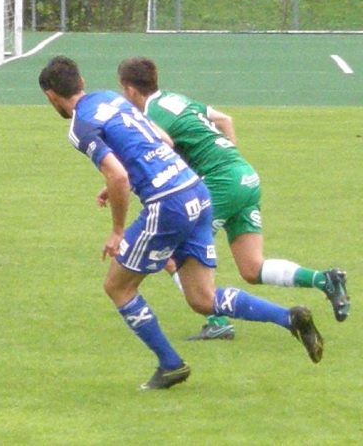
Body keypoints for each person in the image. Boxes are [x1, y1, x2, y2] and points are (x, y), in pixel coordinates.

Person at [38, 55, 321, 390]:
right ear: (82, 82)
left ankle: (171, 365)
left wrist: (117, 231)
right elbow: (165, 141)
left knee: (118, 286)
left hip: (167, 204)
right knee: (202, 298)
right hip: (195, 189)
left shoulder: (80, 126)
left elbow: (117, 176)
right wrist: (130, 177)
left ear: (51, 96)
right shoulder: (112, 99)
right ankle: (288, 318)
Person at [117, 56, 349, 340]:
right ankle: (325, 280)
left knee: (173, 252)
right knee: (252, 267)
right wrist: (229, 159)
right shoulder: (175, 99)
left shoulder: (150, 115)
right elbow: (225, 120)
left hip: (221, 183)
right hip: (245, 175)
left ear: (129, 89)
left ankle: (216, 321)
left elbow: (162, 148)